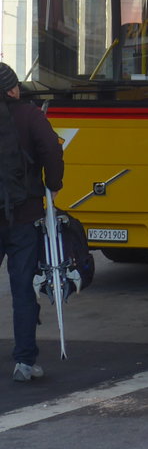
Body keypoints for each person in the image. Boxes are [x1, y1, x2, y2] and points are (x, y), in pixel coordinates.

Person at [0, 62, 64, 382]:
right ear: (12, 88)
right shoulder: (30, 115)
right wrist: (53, 183)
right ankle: (24, 361)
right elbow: (52, 149)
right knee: (23, 289)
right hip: (23, 216)